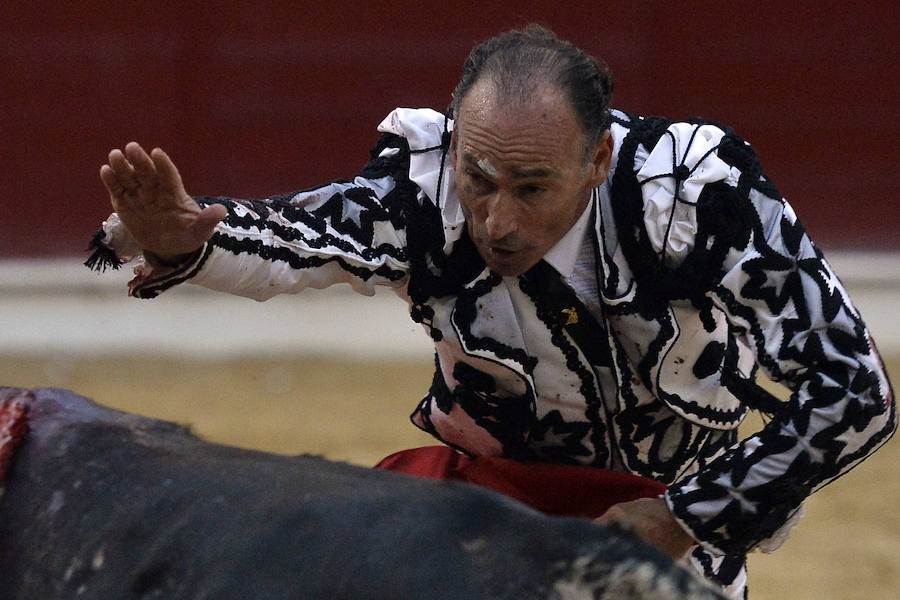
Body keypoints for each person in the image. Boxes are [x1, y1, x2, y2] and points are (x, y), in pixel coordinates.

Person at [87, 25, 895, 598]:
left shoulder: (694, 198)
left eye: (532, 187)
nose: (497, 220)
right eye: (479, 178)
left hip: (671, 521)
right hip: (488, 511)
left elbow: (856, 392)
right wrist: (195, 236)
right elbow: (308, 238)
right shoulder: (428, 187)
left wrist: (686, 516)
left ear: (597, 160)